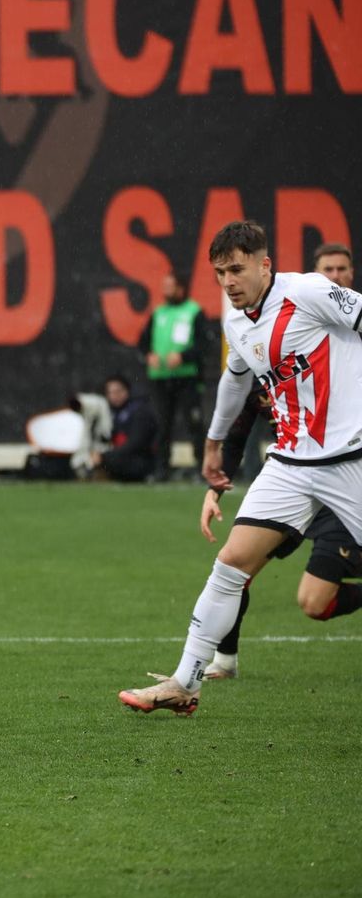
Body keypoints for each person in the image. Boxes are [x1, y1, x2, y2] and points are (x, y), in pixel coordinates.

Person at [120, 220, 362, 715]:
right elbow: (235, 382)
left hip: (352, 458)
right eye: (219, 273)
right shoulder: (235, 321)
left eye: (236, 269)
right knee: (230, 565)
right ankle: (185, 682)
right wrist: (212, 442)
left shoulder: (311, 291)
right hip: (292, 462)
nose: (228, 281)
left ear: (264, 264)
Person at [193, 242, 362, 681]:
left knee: (312, 600)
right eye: (328, 269)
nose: (336, 278)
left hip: (348, 466)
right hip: (296, 469)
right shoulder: (260, 330)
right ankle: (212, 666)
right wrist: (216, 474)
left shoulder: (327, 317)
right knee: (236, 564)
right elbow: (241, 407)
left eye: (343, 270)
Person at [138, 273, 211, 480]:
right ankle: (162, 469)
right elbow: (143, 341)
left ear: (181, 288)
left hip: (186, 378)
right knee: (163, 424)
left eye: (170, 286)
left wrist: (183, 356)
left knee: (193, 423)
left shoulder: (193, 312)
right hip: (161, 377)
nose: (166, 290)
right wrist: (148, 355)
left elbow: (203, 345)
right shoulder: (158, 313)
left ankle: (202, 468)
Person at [92, 375, 158, 482]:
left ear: (127, 391)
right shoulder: (108, 412)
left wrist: (105, 457)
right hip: (117, 454)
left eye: (118, 391)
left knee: (114, 461)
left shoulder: (139, 411)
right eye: (111, 392)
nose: (115, 396)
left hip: (139, 459)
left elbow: (136, 443)